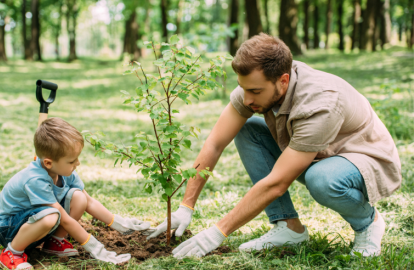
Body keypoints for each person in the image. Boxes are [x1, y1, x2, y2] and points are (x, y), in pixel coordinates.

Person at [147, 33, 401, 258]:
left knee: (321, 179)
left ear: (283, 80)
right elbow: (215, 142)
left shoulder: (320, 103)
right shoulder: (254, 87)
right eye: (243, 88)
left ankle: (368, 223)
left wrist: (217, 232)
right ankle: (288, 228)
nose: (247, 99)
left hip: (362, 158)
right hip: (317, 151)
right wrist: (186, 206)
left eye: (255, 91)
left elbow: (278, 183)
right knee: (248, 131)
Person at [0, 117, 150, 269]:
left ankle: (54, 242)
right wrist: (97, 249)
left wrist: (121, 224)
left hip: (32, 223)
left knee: (79, 198)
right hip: (8, 229)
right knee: (51, 216)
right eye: (72, 161)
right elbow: (64, 219)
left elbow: (89, 201)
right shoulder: (35, 179)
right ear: (48, 162)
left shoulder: (64, 171)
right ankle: (11, 252)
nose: (77, 163)